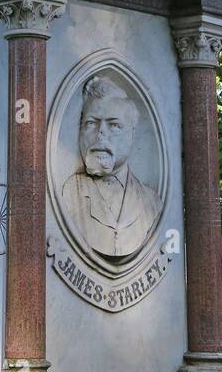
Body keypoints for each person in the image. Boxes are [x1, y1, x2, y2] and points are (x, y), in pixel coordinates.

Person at [62, 75, 161, 260]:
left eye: (114, 125)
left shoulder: (151, 201)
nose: (101, 134)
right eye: (91, 123)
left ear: (132, 135)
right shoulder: (68, 193)